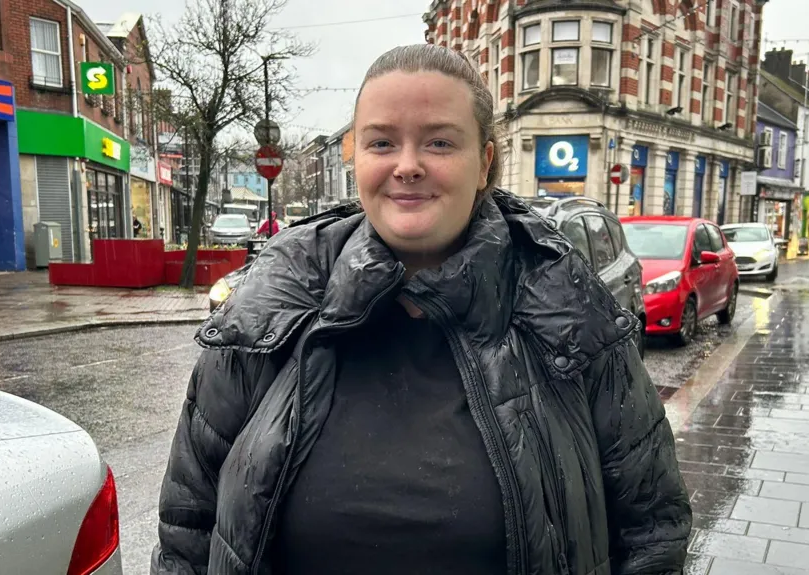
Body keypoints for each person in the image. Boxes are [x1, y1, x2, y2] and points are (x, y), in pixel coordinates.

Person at [152, 44, 691, 575]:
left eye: (438, 142)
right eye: (382, 142)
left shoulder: (567, 310)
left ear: (483, 163)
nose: (407, 166)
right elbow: (188, 529)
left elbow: (652, 531)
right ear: (357, 158)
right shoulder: (272, 305)